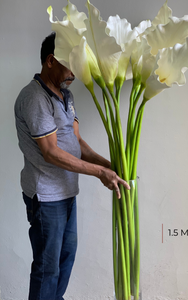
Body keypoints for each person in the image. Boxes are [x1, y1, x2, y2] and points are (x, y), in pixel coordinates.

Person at [14, 32, 129, 300]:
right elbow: (51, 152)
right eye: (71, 65)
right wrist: (100, 173)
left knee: (66, 258)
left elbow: (75, 141)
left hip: (67, 194)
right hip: (46, 197)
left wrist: (110, 164)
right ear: (51, 61)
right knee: (47, 268)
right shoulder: (34, 97)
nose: (75, 74)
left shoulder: (65, 96)